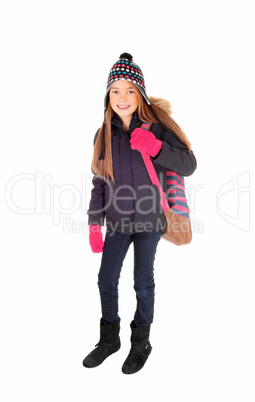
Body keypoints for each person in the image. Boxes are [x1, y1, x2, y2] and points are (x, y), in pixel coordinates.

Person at [82, 53, 197, 374]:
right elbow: (99, 181)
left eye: (129, 90)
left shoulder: (158, 129)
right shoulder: (103, 133)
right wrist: (94, 223)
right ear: (108, 96)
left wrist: (155, 147)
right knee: (106, 279)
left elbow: (189, 164)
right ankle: (109, 341)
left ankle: (141, 342)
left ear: (140, 95)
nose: (122, 97)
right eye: (115, 90)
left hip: (150, 220)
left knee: (142, 282)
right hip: (117, 221)